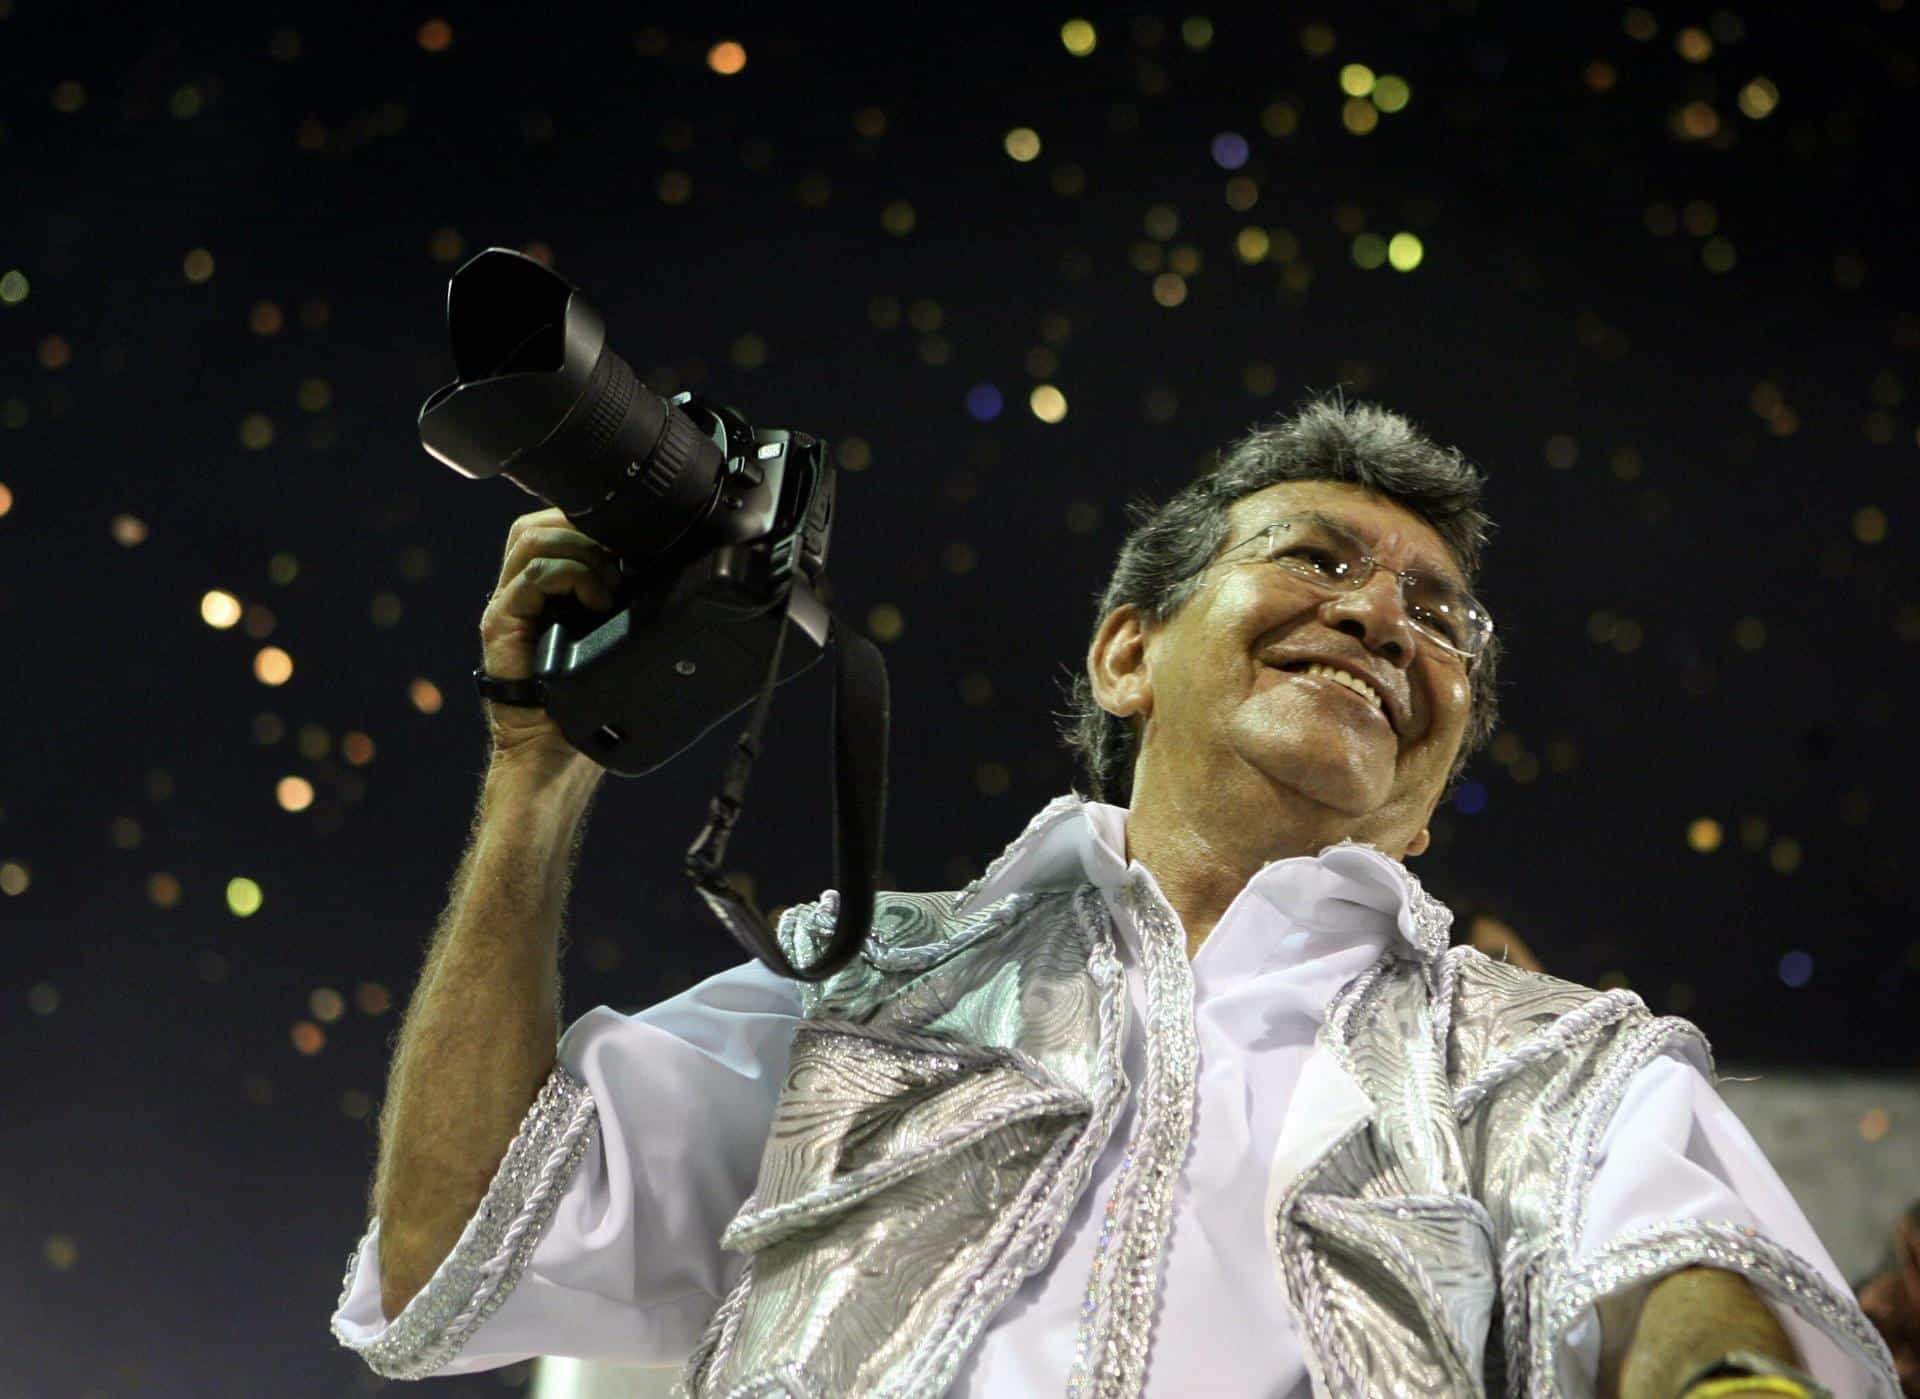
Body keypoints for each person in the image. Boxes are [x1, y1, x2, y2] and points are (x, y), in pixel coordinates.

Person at [330, 396, 1899, 1397]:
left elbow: (1680, 1277)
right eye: (1314, 559)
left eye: (1440, 620)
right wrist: (538, 776)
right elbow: (444, 1254)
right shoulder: (862, 988)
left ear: (1432, 784)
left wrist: (1725, 1381)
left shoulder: (1548, 1066)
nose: (1378, 615)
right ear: (1127, 652)